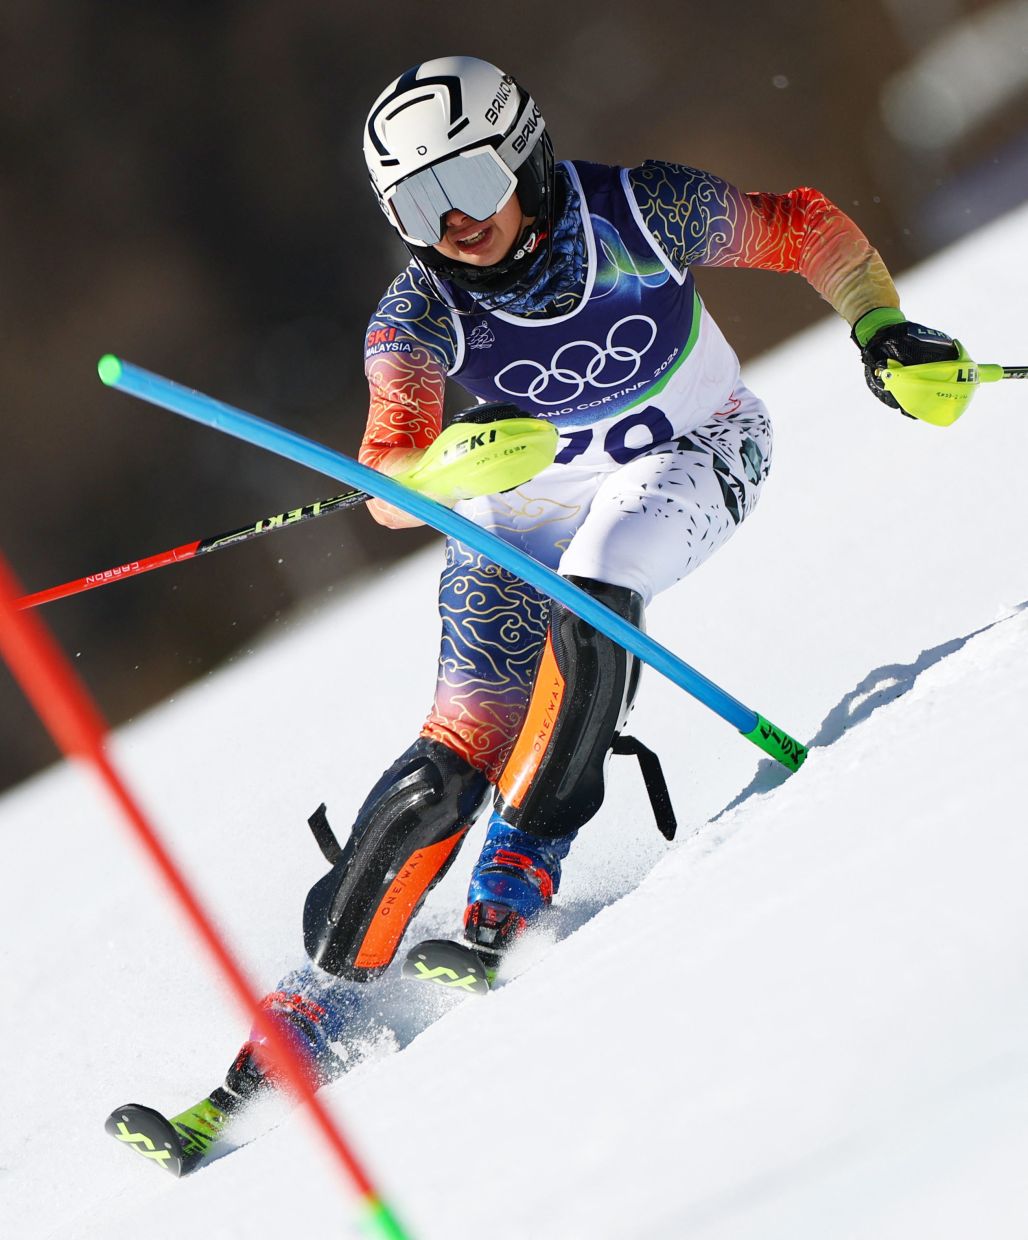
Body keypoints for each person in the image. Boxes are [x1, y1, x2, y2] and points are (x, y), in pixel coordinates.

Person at [137, 55, 961, 1156]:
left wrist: (879, 329)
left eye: (467, 180)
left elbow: (805, 230)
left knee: (595, 601)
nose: (453, 221)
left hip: (693, 447)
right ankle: (311, 1007)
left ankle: (515, 876)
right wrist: (438, 469)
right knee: (448, 761)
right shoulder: (413, 316)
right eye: (416, 205)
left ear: (521, 151)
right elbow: (384, 480)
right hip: (516, 506)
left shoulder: (642, 211)